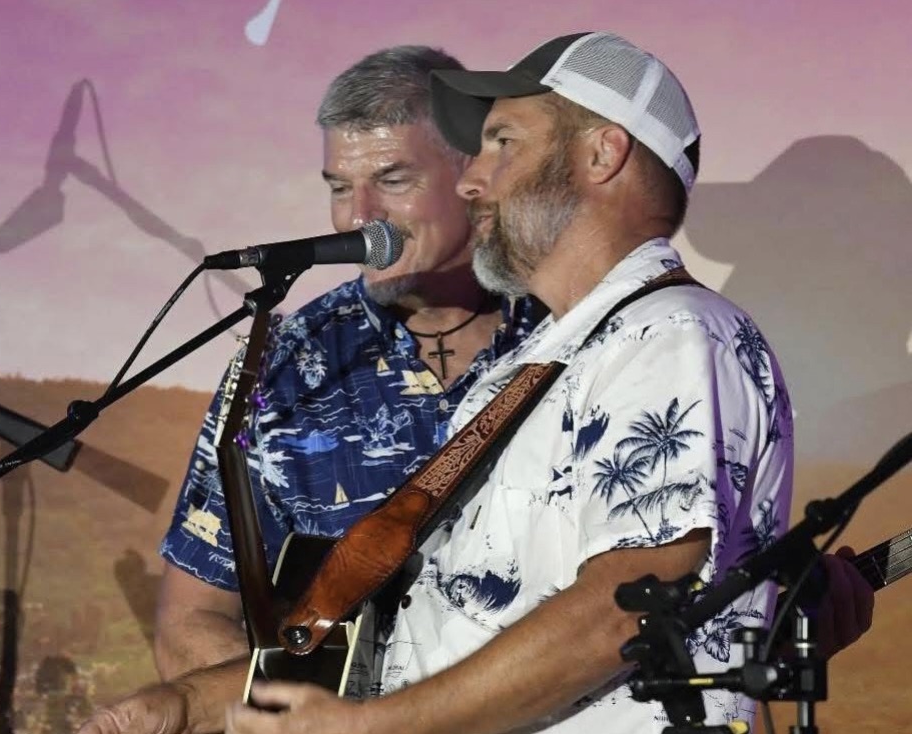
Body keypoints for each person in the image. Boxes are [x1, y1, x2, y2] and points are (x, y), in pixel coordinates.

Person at [78, 35, 874, 734]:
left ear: (601, 155)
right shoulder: (532, 370)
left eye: (501, 143)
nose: (473, 181)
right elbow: (413, 647)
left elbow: (621, 603)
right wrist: (189, 705)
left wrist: (370, 729)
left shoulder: (671, 335)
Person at [153, 45, 540, 681]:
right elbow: (190, 620)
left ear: (472, 176)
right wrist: (304, 714)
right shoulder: (281, 363)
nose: (359, 216)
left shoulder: (573, 325)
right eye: (339, 187)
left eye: (393, 181)